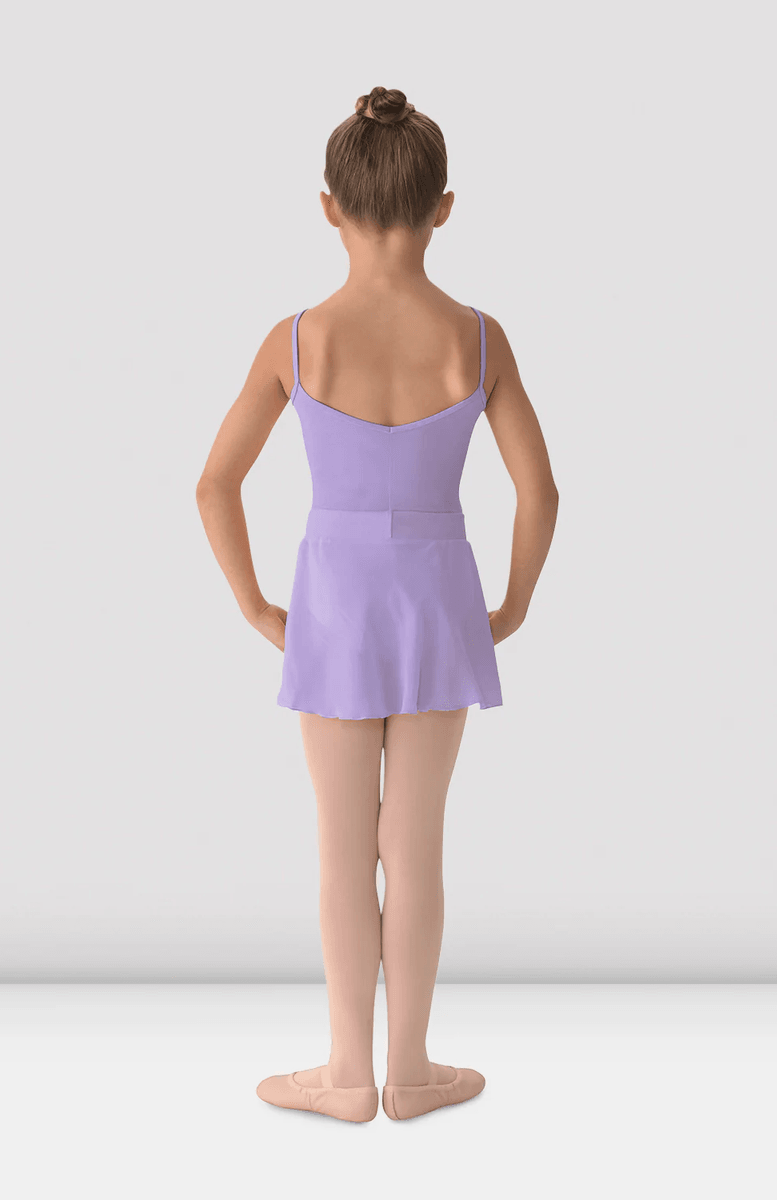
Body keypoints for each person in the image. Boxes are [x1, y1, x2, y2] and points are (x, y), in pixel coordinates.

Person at [196, 86, 559, 1122]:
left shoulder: (299, 339)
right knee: (416, 847)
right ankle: (411, 1071)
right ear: (443, 207)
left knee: (340, 849)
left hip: (333, 607)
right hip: (440, 602)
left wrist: (257, 607)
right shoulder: (476, 340)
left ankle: (345, 1073)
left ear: (329, 207)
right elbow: (539, 491)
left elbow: (214, 484)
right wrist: (512, 604)